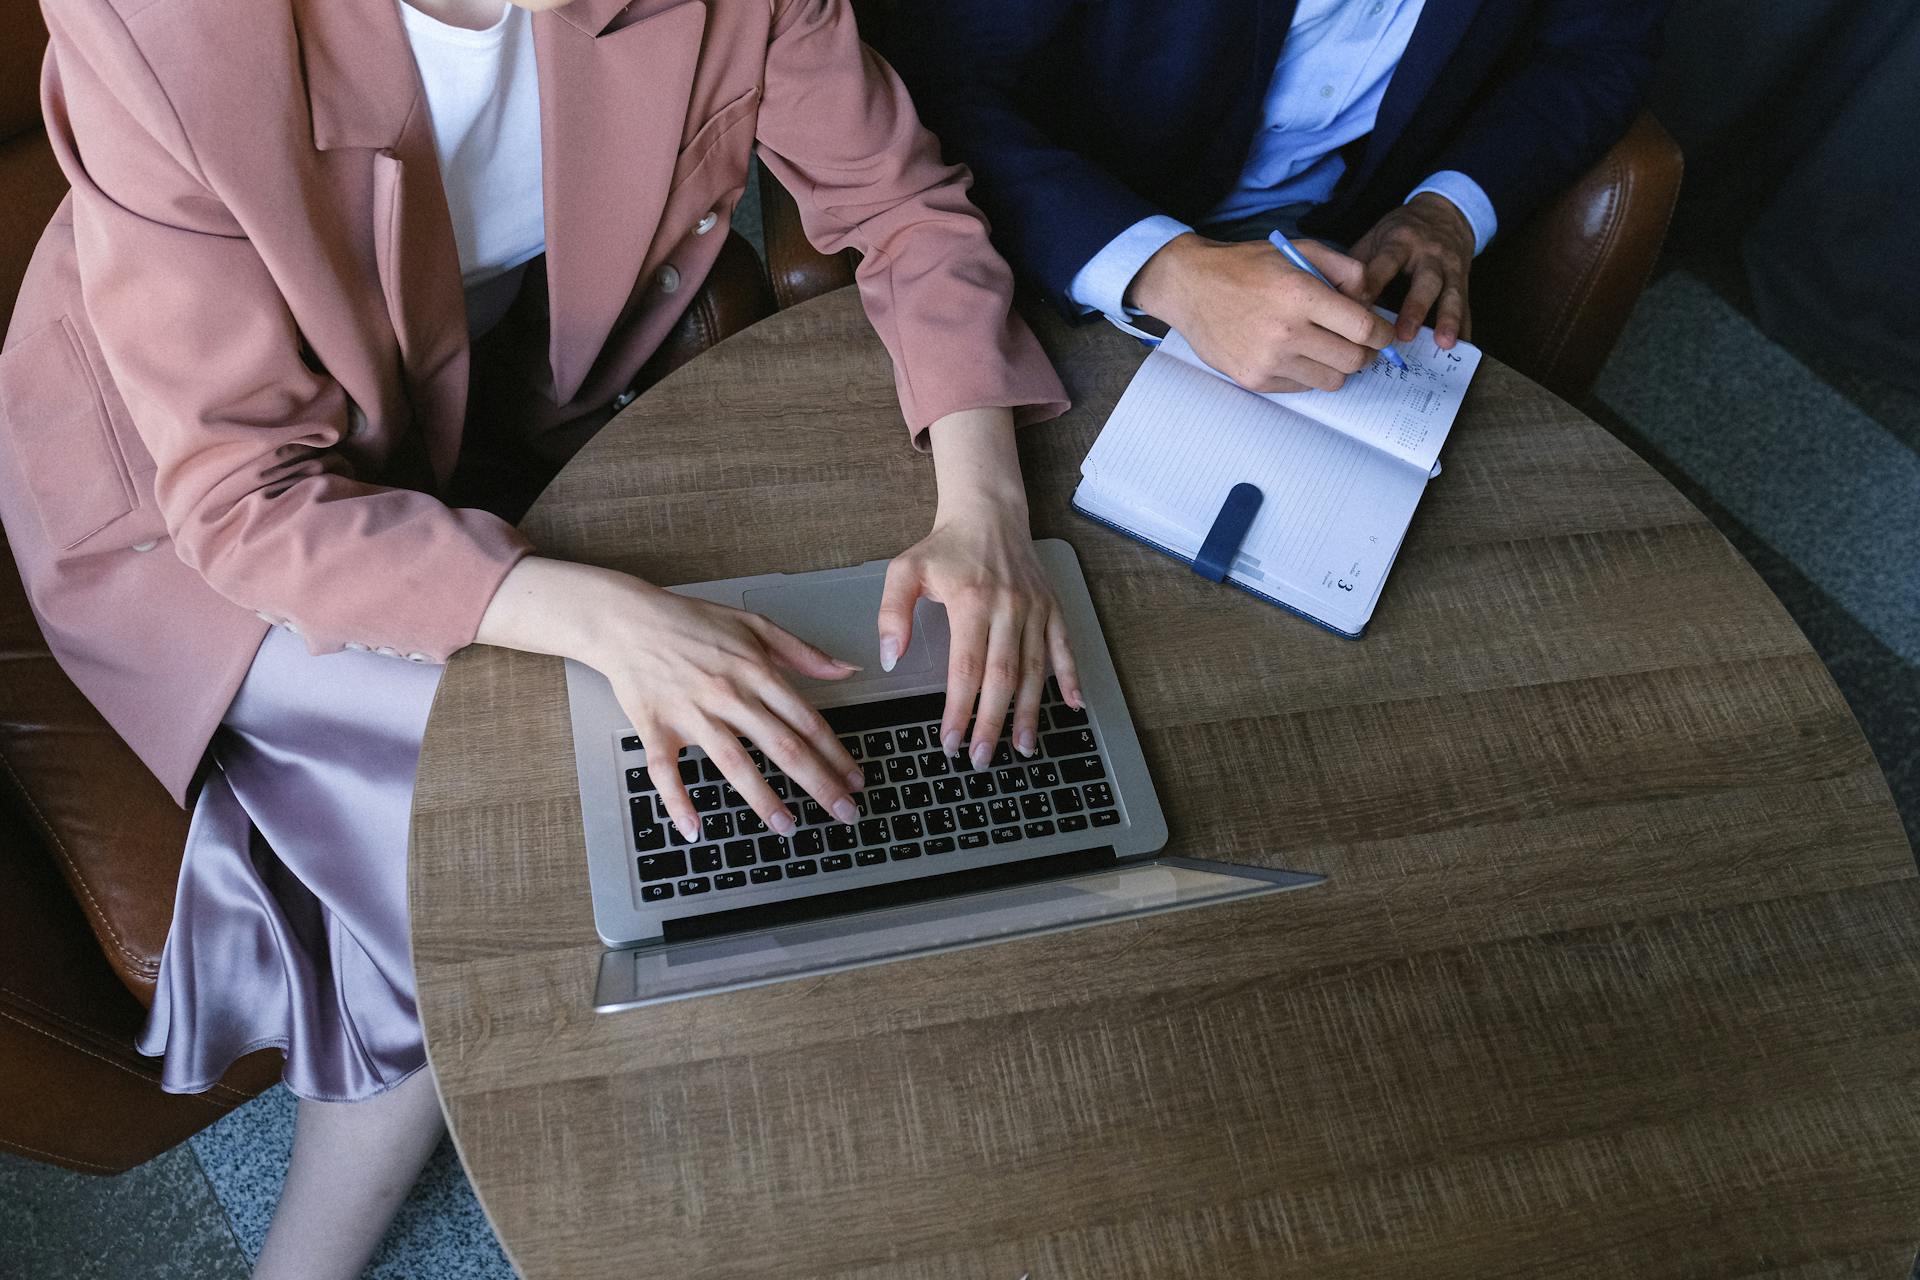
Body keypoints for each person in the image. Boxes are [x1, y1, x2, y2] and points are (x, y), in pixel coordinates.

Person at [0, 0, 1074, 1273]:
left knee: (682, 783)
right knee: (529, 824)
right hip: (184, 513)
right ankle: (305, 1258)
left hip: (454, 419)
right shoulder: (159, 28)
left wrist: (984, 509)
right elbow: (245, 503)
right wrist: (600, 614)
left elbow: (901, 201)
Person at [886, 0, 1670, 393]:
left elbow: (1595, 52)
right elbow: (942, 87)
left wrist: (1450, 206)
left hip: (1343, 278)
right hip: (1056, 253)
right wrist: (1165, 268)